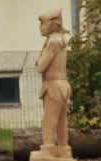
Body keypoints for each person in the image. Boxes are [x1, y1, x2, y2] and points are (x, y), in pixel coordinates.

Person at [36, 10, 71, 152]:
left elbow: (41, 66)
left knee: (49, 120)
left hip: (53, 85)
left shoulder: (53, 41)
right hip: (61, 84)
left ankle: (49, 149)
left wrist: (38, 62)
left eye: (42, 24)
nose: (40, 28)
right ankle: (63, 147)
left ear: (51, 25)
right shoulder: (60, 39)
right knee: (61, 121)